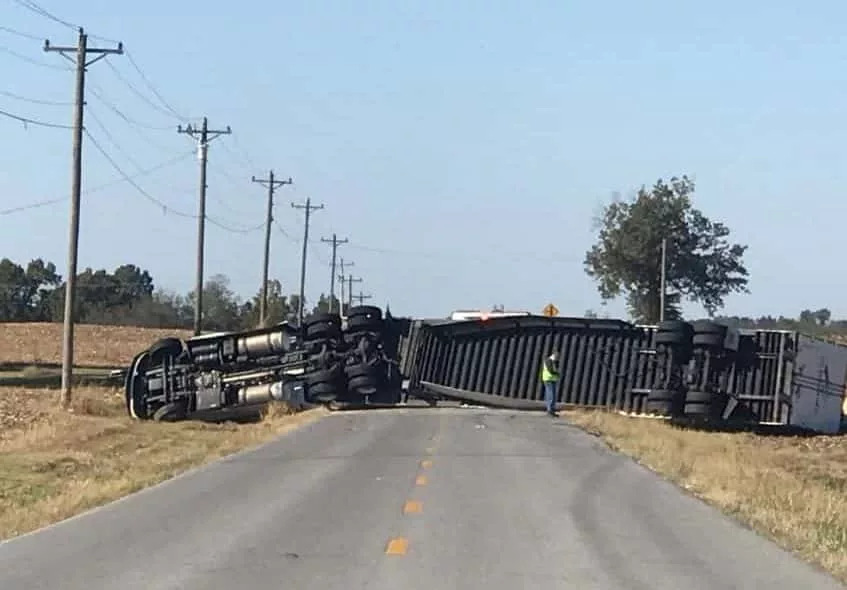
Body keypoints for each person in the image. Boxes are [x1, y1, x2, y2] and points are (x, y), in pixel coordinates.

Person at [540, 351, 561, 416]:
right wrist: (557, 373)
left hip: (552, 380)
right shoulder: (548, 361)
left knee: (552, 395)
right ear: (554, 356)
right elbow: (550, 370)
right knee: (551, 395)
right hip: (548, 379)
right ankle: (550, 410)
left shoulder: (552, 361)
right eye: (557, 358)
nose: (557, 359)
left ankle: (552, 410)